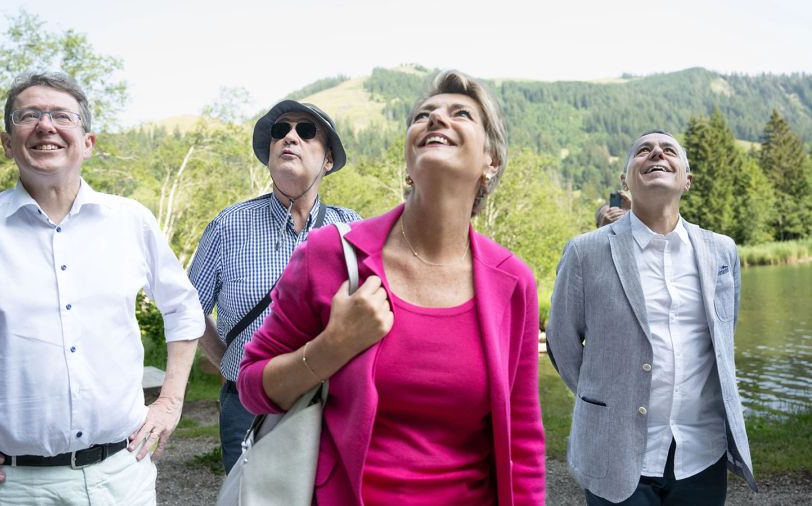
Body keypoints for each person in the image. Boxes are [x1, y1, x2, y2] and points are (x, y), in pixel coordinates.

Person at [239, 70, 545, 505]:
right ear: (408, 157)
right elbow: (252, 386)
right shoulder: (329, 254)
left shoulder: (514, 282)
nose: (437, 120)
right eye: (423, 115)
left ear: (490, 161)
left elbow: (523, 437)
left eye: (461, 114)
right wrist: (331, 347)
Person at [0, 72, 204, 505]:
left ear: (87, 142)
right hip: (8, 489)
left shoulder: (131, 222)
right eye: (29, 115)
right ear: (7, 143)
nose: (45, 125)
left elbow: (184, 309)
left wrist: (170, 403)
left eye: (61, 115)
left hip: (122, 479)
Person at [546, 130, 757, 505]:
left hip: (701, 453)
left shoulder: (722, 251)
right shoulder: (585, 252)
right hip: (614, 451)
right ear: (626, 181)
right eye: (642, 151)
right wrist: (605, 399)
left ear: (686, 180)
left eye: (668, 149)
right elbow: (562, 344)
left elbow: (722, 336)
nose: (656, 152)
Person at [187, 100, 360, 472]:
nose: (290, 137)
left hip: (331, 402)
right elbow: (188, 308)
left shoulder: (352, 230)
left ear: (328, 160)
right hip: (247, 405)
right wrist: (230, 362)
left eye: (307, 131)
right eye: (280, 131)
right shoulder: (228, 226)